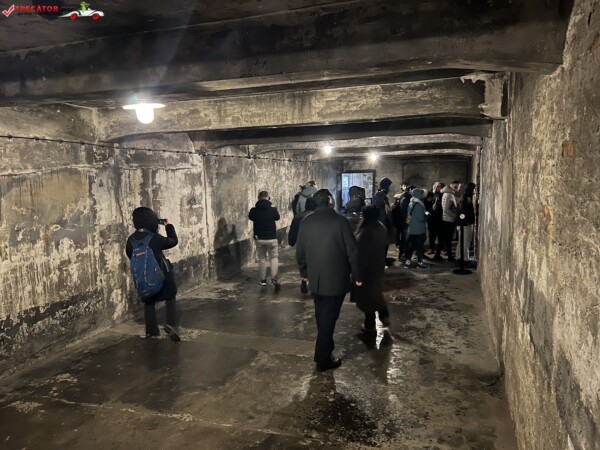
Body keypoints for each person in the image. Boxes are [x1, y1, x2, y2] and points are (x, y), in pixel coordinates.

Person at [296, 189, 362, 372]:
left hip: (315, 280)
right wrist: (358, 276)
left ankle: (326, 351)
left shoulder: (306, 222)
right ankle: (323, 359)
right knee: (328, 319)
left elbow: (300, 252)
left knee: (322, 316)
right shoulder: (340, 221)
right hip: (336, 279)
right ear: (330, 202)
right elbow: (353, 251)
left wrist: (304, 273)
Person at [126, 207, 180, 342]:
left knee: (149, 303)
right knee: (170, 296)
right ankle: (171, 324)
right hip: (163, 275)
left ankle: (152, 332)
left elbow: (130, 255)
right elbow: (173, 241)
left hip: (143, 278)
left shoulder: (130, 240)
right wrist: (169, 226)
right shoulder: (154, 237)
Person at [351, 206, 391, 332]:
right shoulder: (380, 227)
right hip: (377, 265)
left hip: (365, 268)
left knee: (367, 296)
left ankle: (370, 323)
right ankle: (384, 316)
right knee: (375, 292)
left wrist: (357, 274)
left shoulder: (366, 231)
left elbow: (359, 253)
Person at [248, 191, 281, 287]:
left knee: (262, 259)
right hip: (272, 238)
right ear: (268, 197)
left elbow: (251, 217)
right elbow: (277, 217)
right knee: (274, 257)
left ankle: (263, 280)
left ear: (258, 198)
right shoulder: (273, 210)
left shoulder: (253, 211)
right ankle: (274, 277)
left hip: (259, 239)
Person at [288, 196, 316, 293]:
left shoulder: (298, 216)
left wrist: (291, 241)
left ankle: (304, 279)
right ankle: (314, 285)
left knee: (303, 262)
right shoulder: (317, 217)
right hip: (314, 244)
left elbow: (293, 231)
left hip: (301, 244)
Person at [405, 188, 429, 269]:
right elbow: (421, 218)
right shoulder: (419, 205)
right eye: (421, 193)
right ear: (418, 194)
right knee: (419, 247)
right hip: (419, 229)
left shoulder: (411, 203)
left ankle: (407, 262)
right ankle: (420, 263)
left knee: (411, 246)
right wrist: (427, 215)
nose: (423, 195)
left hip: (411, 229)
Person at [373, 177, 393, 265]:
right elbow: (380, 208)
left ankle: (383, 260)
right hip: (382, 222)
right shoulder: (380, 195)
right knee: (383, 243)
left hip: (383, 222)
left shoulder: (381, 194)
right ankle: (382, 261)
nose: (389, 188)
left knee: (384, 243)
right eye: (388, 186)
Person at [456, 182, 476, 264]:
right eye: (474, 189)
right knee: (465, 241)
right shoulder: (466, 198)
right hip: (465, 224)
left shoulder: (465, 197)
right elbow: (463, 211)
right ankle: (464, 258)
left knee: (462, 241)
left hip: (463, 223)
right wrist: (466, 221)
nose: (475, 191)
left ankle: (459, 256)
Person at [441, 180, 461, 262]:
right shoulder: (449, 194)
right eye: (456, 186)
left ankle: (448, 256)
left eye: (459, 187)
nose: (458, 188)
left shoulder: (448, 193)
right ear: (451, 185)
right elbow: (446, 209)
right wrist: (455, 216)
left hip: (447, 219)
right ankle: (449, 257)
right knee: (448, 239)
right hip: (448, 220)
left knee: (447, 239)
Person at [391, 181, 411, 261]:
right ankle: (403, 255)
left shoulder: (403, 197)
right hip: (404, 222)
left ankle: (402, 254)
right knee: (405, 240)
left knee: (404, 239)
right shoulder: (405, 199)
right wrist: (406, 222)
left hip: (402, 222)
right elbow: (404, 212)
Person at [429, 182, 445, 260]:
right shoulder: (431, 194)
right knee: (432, 235)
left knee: (441, 235)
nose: (439, 188)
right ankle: (431, 248)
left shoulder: (443, 195)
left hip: (440, 218)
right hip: (432, 218)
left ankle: (441, 249)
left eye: (440, 186)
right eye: (438, 186)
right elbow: (428, 205)